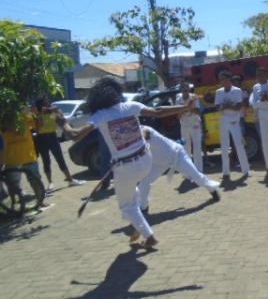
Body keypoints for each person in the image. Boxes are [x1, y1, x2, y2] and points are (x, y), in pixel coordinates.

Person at [63, 77, 195, 250]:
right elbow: (158, 111)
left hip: (126, 168)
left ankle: (149, 237)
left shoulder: (101, 115)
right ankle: (137, 225)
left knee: (126, 205)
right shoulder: (129, 107)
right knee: (133, 195)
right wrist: (185, 108)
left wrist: (61, 121)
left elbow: (73, 135)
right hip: (145, 160)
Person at [138, 126, 220, 213]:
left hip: (177, 155)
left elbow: (145, 135)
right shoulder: (128, 139)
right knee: (143, 183)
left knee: (196, 176)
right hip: (158, 163)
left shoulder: (144, 129)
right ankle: (144, 207)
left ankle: (212, 189)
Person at [34, 97, 85, 191]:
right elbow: (38, 128)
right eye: (45, 102)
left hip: (52, 136)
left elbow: (58, 118)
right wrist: (40, 116)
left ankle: (70, 180)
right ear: (40, 104)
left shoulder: (51, 111)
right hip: (41, 138)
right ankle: (50, 183)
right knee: (46, 161)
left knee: (60, 158)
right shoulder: (37, 114)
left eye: (47, 102)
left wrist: (55, 111)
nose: (47, 103)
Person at [215, 72, 250, 178]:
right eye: (220, 79)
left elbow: (238, 107)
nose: (222, 81)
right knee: (224, 146)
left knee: (239, 145)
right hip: (224, 120)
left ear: (228, 79)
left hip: (234, 119)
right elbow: (217, 108)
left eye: (224, 79)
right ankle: (225, 172)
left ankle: (245, 170)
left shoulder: (237, 90)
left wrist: (225, 106)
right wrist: (228, 106)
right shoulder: (219, 92)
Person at [175, 82, 204, 172]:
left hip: (195, 125)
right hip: (184, 125)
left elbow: (198, 111)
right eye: (183, 88)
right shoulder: (178, 98)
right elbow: (178, 114)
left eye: (186, 88)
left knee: (197, 148)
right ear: (181, 90)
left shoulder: (194, 97)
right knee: (186, 149)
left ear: (189, 89)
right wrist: (185, 109)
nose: (185, 90)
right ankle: (188, 170)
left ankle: (198, 171)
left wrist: (187, 108)